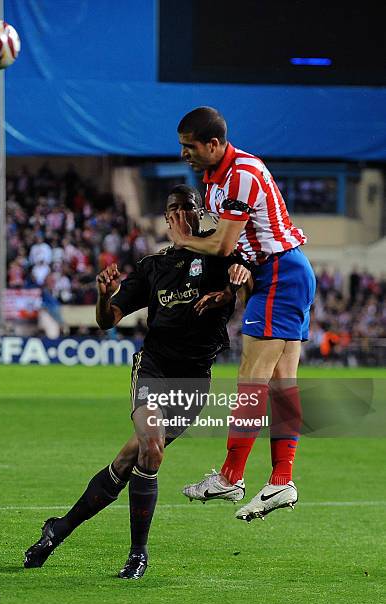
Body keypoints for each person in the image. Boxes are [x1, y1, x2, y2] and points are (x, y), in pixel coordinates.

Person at [23, 185, 251, 579]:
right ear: (166, 218)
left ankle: (58, 529)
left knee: (132, 460)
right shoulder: (152, 267)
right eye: (173, 209)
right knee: (151, 446)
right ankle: (138, 555)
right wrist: (103, 295)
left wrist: (241, 280)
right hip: (155, 368)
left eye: (188, 208)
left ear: (201, 214)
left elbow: (247, 292)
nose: (180, 214)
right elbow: (106, 319)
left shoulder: (224, 257)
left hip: (194, 381)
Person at [168, 107, 316, 522]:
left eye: (190, 146)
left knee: (252, 381)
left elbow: (221, 243)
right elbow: (236, 243)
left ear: (213, 144)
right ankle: (281, 481)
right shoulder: (215, 178)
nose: (185, 154)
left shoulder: (241, 173)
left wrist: (183, 241)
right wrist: (243, 263)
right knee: (282, 384)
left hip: (281, 275)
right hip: (280, 272)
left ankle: (232, 477)